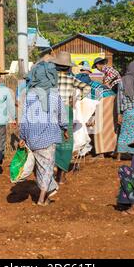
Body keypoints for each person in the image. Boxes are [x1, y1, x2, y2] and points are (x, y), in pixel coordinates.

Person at [19, 62, 68, 206]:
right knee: (47, 168)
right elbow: (62, 115)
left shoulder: (29, 95)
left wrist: (22, 136)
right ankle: (41, 198)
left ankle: (46, 193)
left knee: (39, 167)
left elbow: (25, 118)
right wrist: (65, 129)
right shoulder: (54, 95)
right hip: (48, 137)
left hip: (32, 138)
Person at [52, 52, 91, 183]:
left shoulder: (50, 79)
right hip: (65, 110)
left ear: (56, 65)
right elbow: (86, 88)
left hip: (51, 111)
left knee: (51, 140)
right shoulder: (70, 79)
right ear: (68, 67)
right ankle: (61, 174)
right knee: (66, 142)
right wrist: (76, 99)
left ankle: (51, 170)